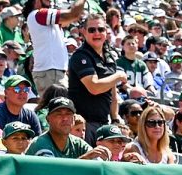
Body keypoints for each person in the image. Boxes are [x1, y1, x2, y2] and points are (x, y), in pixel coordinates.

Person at [68, 13, 126, 143]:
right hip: (82, 125)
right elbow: (94, 87)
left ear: (106, 31)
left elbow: (113, 92)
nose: (97, 33)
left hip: (104, 123)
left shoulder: (109, 55)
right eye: (92, 30)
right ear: (84, 32)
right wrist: (118, 76)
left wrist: (115, 118)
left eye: (100, 29)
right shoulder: (80, 56)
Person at [23, 0, 85, 94]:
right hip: (51, 72)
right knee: (58, 107)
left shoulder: (42, 18)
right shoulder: (39, 13)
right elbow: (72, 14)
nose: (50, 1)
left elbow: (73, 16)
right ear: (36, 2)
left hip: (51, 72)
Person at [26, 96, 90, 157]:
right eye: (59, 114)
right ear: (48, 119)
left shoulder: (78, 144)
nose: (65, 118)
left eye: (68, 114)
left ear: (73, 119)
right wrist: (85, 158)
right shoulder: (40, 143)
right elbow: (53, 168)